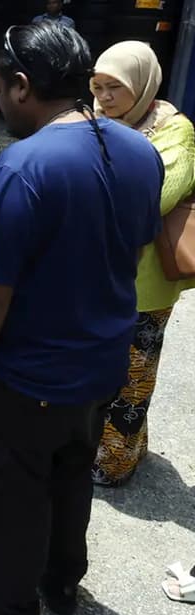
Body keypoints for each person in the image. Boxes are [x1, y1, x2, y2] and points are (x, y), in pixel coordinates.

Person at [0, 23, 163, 615]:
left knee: (10, 499)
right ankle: (60, 583)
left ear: (22, 86)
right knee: (70, 478)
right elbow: (135, 251)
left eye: (3, 87)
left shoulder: (24, 166)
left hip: (25, 378)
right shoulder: (141, 152)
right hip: (99, 367)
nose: (0, 100)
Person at [89, 41, 195, 486]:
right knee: (102, 366)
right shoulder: (95, 120)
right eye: (97, 86)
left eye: (116, 87)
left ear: (144, 83)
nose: (105, 97)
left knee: (133, 372)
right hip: (98, 273)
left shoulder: (175, 129)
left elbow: (159, 195)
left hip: (146, 282)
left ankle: (115, 463)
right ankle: (128, 443)